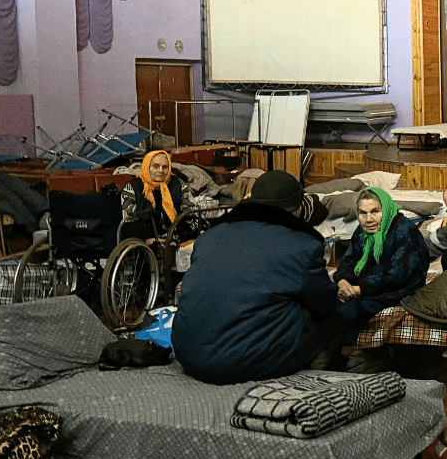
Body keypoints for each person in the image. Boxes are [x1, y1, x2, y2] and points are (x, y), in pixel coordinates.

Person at [172, 170, 345, 384]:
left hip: (188, 353)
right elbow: (323, 305)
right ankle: (316, 382)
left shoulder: (210, 236)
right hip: (242, 361)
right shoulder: (302, 245)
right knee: (337, 315)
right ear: (298, 209)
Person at [334, 188, 430, 333]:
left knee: (347, 310)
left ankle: (350, 350)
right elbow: (348, 260)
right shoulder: (362, 230)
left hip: (399, 292)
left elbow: (396, 276)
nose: (369, 219)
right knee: (324, 299)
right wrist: (343, 281)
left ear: (386, 209)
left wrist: (359, 289)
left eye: (375, 212)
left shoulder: (404, 230)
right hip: (367, 286)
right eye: (363, 213)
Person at [120, 150, 193, 241]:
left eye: (165, 167)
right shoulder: (132, 187)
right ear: (147, 167)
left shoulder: (178, 184)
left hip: (174, 234)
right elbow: (129, 221)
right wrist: (150, 239)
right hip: (145, 237)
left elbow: (189, 212)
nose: (160, 171)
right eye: (156, 166)